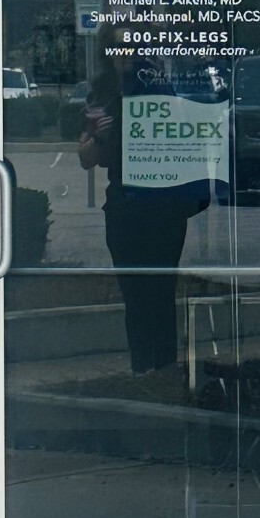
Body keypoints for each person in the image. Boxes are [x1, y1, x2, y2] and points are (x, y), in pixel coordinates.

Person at [77, 56, 207, 373]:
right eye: (118, 51)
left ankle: (161, 368)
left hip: (162, 205)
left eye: (132, 52)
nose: (125, 62)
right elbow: (86, 158)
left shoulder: (163, 94)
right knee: (137, 293)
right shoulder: (103, 97)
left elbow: (184, 139)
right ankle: (145, 368)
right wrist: (100, 136)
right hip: (126, 204)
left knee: (159, 291)